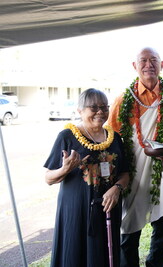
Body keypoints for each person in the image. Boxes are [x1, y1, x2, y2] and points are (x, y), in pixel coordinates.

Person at [107, 47, 163, 267]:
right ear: (135, 66)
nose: (148, 65)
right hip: (133, 175)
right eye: (143, 60)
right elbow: (109, 140)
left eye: (154, 60)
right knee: (128, 232)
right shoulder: (123, 100)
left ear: (162, 65)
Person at [44, 88, 130, 267]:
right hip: (76, 211)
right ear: (80, 111)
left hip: (107, 209)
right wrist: (65, 169)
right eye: (94, 107)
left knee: (105, 256)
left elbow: (124, 173)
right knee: (74, 255)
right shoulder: (67, 136)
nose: (100, 112)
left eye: (104, 107)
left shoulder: (115, 139)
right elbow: (49, 178)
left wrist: (117, 188)